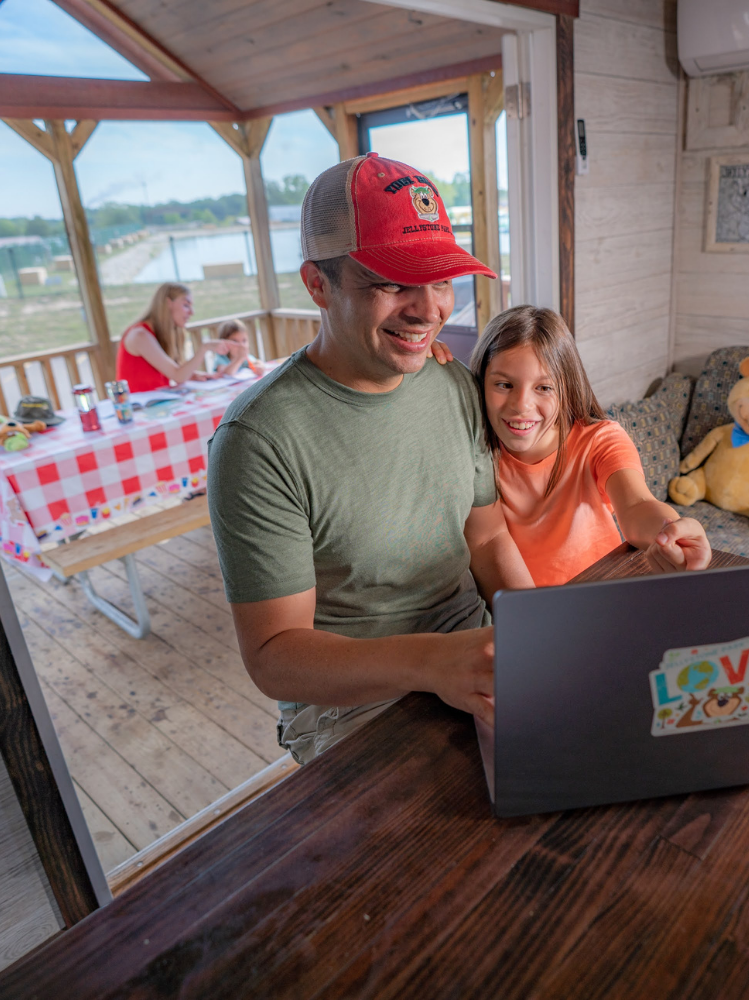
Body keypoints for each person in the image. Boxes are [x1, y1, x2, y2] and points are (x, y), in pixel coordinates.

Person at [207, 153, 534, 765]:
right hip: (349, 700)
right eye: (392, 282)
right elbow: (276, 656)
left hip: (469, 648)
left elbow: (486, 536)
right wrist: (433, 664)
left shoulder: (453, 385)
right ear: (317, 285)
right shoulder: (257, 441)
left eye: (441, 280)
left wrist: (541, 630)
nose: (430, 309)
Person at [471, 306, 711, 585]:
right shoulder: (473, 449)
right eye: (504, 384)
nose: (521, 405)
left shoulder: (599, 440)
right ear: (479, 383)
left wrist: (671, 531)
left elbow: (637, 504)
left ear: (567, 388)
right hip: (516, 610)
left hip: (598, 599)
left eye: (544, 388)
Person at [116, 282, 247, 391]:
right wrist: (205, 347)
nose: (192, 312)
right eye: (186, 305)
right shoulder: (140, 335)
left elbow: (174, 372)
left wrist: (194, 375)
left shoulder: (160, 334)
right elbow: (178, 376)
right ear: (168, 303)